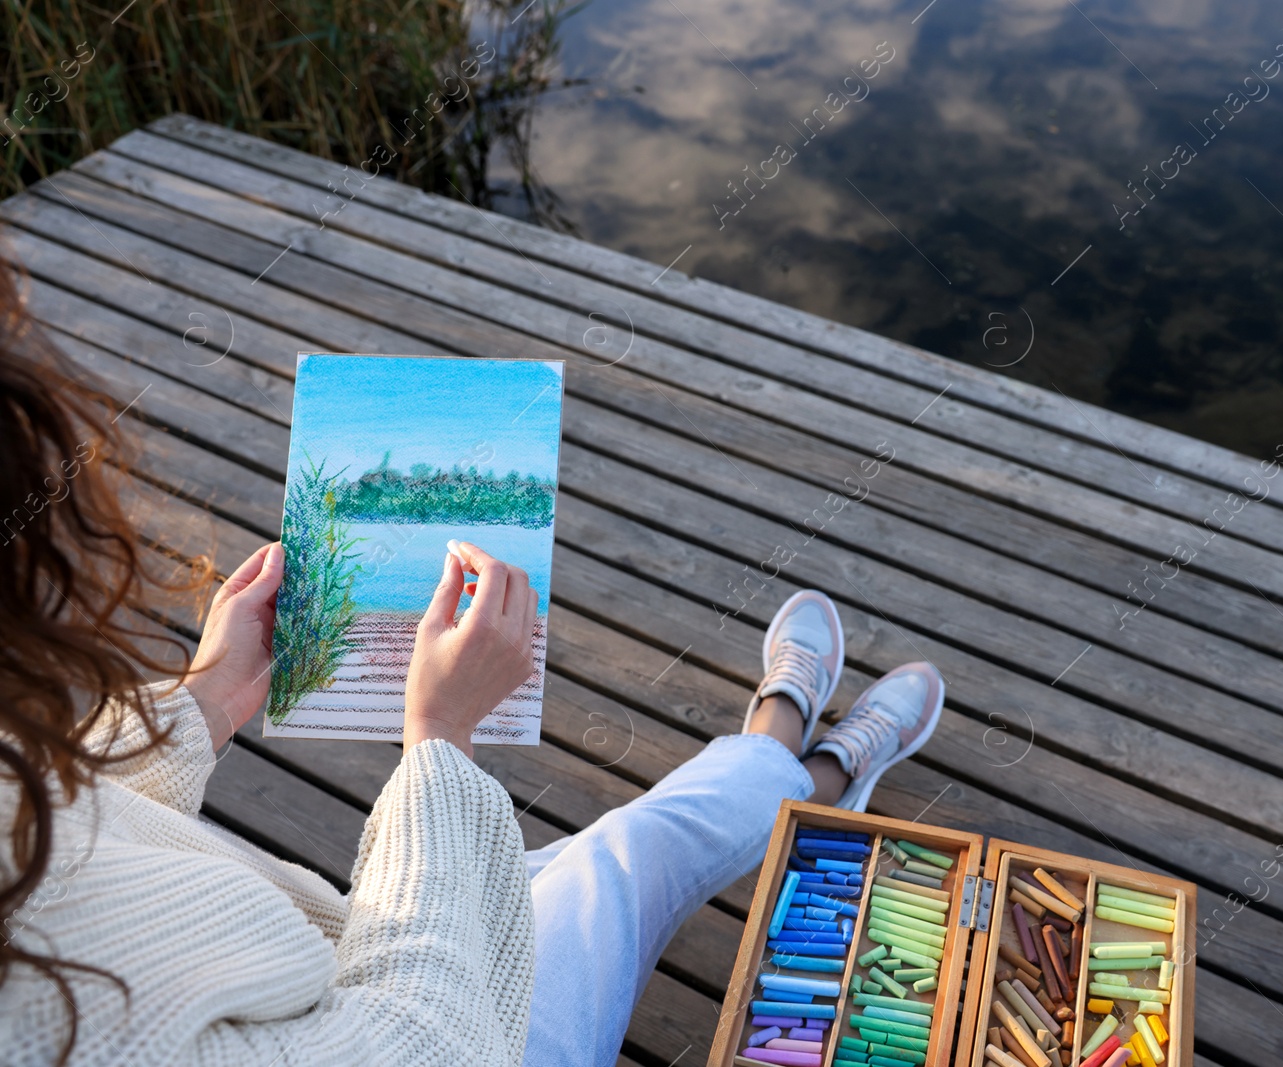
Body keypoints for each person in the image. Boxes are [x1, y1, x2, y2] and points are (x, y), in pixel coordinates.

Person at [0, 262, 946, 1066]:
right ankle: (800, 756)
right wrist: (441, 739)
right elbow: (423, 1044)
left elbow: (45, 810)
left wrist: (202, 702)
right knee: (626, 855)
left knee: (560, 861)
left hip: (340, 955)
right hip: (444, 1030)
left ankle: (796, 765)